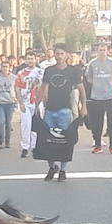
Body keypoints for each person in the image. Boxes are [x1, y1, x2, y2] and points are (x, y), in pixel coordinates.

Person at [38, 44, 86, 181]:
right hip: (50, 110)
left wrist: (84, 106)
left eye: (61, 54)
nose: (59, 56)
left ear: (66, 55)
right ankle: (52, 167)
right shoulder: (49, 70)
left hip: (65, 110)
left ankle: (63, 170)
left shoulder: (73, 71)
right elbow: (43, 88)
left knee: (66, 140)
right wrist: (37, 104)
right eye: (57, 53)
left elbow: (81, 89)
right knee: (48, 140)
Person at [85, 43, 112, 153]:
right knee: (97, 122)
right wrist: (97, 83)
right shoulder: (92, 63)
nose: (102, 52)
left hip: (109, 96)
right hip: (96, 96)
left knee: (111, 120)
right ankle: (98, 145)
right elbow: (88, 77)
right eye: (100, 50)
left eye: (104, 50)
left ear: (107, 51)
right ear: (97, 51)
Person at [15, 52, 43, 158]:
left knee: (36, 125)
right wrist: (21, 103)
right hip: (26, 103)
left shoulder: (40, 72)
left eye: (32, 59)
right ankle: (25, 147)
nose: (30, 61)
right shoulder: (21, 73)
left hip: (38, 102)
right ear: (25, 60)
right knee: (26, 125)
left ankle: (35, 146)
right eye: (28, 59)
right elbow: (17, 89)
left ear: (35, 60)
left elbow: (44, 87)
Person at [0, 62, 17, 149]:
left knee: (8, 123)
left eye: (6, 67)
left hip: (10, 104)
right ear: (0, 68)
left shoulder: (14, 78)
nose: (5, 68)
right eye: (3, 67)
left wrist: (17, 98)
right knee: (1, 122)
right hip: (0, 104)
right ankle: (1, 142)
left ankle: (7, 142)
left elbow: (19, 88)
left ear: (9, 68)